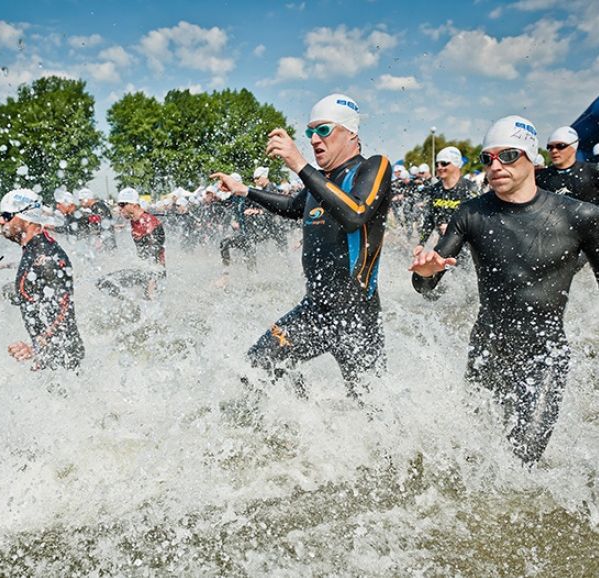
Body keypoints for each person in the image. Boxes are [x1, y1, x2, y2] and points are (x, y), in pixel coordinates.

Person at [409, 115, 599, 464]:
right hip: (486, 351)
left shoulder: (580, 216)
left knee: (521, 460)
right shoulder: (471, 213)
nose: (496, 165)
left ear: (532, 158)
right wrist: (425, 272)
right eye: (488, 158)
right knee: (477, 460)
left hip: (545, 357)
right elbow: (426, 285)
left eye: (508, 155)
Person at [212, 93, 392, 398]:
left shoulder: (373, 167)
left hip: (356, 315)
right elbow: (291, 206)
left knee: (374, 411)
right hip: (314, 312)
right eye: (310, 132)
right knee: (255, 367)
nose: (314, 139)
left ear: (351, 133)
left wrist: (299, 164)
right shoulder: (318, 182)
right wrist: (245, 191)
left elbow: (355, 213)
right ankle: (305, 425)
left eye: (324, 130)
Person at [0, 189, 84, 371]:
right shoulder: (32, 250)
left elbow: (64, 311)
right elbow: (31, 294)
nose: (0, 221)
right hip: (49, 355)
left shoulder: (47, 257)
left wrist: (35, 348)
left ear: (27, 218)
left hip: (64, 358)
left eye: (7, 216)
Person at [96, 187, 166, 301]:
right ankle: (132, 302)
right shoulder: (134, 221)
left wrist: (151, 286)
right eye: (119, 205)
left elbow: (155, 257)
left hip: (153, 275)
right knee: (103, 283)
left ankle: (134, 302)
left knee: (105, 282)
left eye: (122, 205)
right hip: (143, 272)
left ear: (134, 205)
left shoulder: (150, 223)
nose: (120, 209)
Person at [414, 146, 477, 252]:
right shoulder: (435, 189)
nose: (439, 167)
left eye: (444, 163)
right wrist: (421, 243)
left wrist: (454, 229)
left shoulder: (469, 189)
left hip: (467, 247)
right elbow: (430, 219)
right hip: (444, 244)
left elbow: (480, 222)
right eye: (437, 164)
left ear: (456, 163)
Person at [535, 126, 599, 205]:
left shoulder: (593, 171)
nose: (554, 151)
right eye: (550, 147)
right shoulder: (540, 176)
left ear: (574, 147)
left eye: (560, 146)